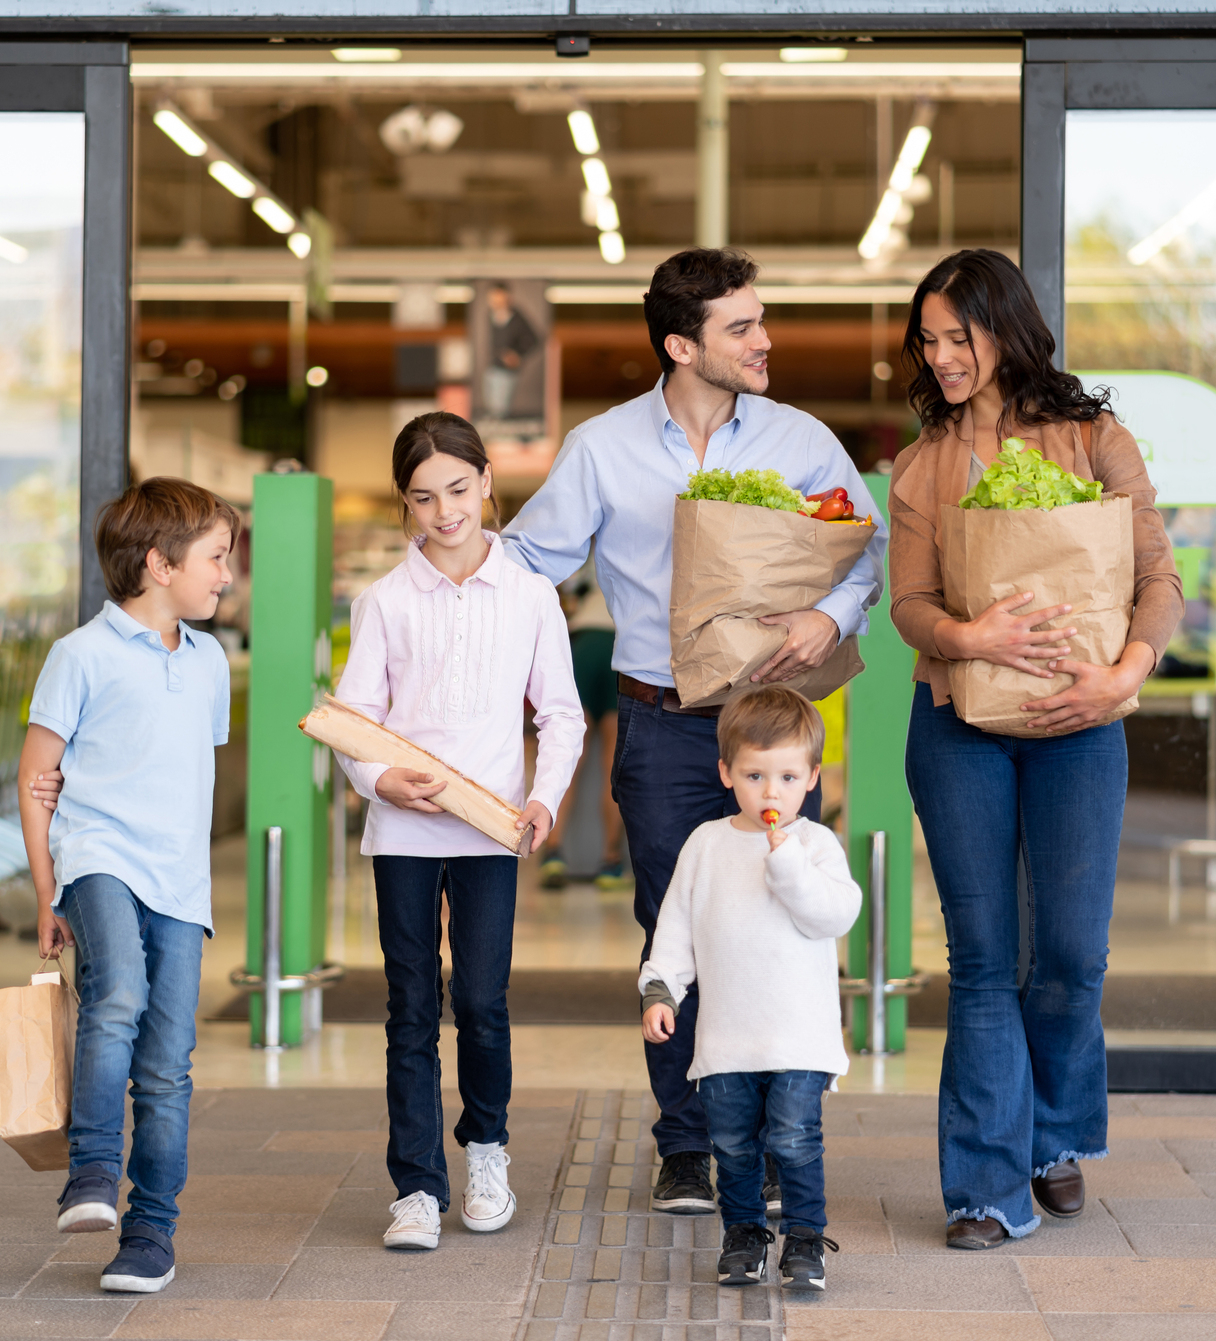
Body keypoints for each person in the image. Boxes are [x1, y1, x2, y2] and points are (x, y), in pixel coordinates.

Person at [502, 247, 886, 1215]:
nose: (764, 341)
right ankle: (687, 1142)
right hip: (659, 722)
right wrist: (442, 553)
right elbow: (527, 560)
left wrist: (825, 619)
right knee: (671, 930)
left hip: (772, 727)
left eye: (760, 321)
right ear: (680, 345)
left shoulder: (799, 440)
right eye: (740, 328)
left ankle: (772, 1130)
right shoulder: (602, 448)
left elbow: (866, 548)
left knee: (779, 921)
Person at [886, 249, 1182, 1250]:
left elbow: (1158, 580)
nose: (939, 356)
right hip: (956, 729)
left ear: (1002, 329)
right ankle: (980, 1187)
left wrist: (1124, 674)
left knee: (1065, 955)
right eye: (925, 340)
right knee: (980, 961)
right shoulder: (920, 464)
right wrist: (971, 640)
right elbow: (910, 607)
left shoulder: (1094, 439)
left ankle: (1051, 1135)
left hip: (1078, 728)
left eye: (954, 337)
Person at [333, 411, 584, 1253]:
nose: (444, 511)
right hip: (402, 835)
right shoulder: (384, 600)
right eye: (422, 497)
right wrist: (380, 780)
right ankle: (414, 1186)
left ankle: (485, 1149)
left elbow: (561, 714)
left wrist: (543, 800)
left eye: (457, 488)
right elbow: (353, 719)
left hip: (490, 832)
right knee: (411, 1009)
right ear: (405, 506)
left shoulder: (529, 594)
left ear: (487, 483)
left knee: (480, 1003)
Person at [16, 477, 237, 1294]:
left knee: (169, 1063)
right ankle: (92, 1173)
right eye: (215, 558)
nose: (225, 575)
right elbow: (34, 775)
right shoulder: (80, 655)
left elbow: (179, 768)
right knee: (117, 999)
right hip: (98, 859)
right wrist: (48, 896)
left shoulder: (209, 661)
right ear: (159, 562)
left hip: (181, 882)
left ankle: (150, 1234)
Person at [638, 686, 860, 1291]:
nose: (771, 792)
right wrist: (661, 991)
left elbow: (834, 916)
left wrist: (787, 866)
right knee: (732, 1146)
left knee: (792, 1139)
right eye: (754, 775)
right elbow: (675, 927)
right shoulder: (706, 844)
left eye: (788, 777)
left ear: (811, 778)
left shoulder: (815, 845)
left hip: (799, 1038)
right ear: (726, 773)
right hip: (727, 1040)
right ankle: (743, 1236)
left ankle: (806, 1241)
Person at [536, 559, 628, 890]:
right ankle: (610, 861)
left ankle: (553, 852)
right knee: (612, 767)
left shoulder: (586, 563)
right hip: (620, 649)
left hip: (582, 645)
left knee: (568, 757)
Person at [479, 283, 539, 422]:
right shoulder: (491, 315)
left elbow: (534, 339)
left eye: (499, 299)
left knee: (500, 409)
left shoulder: (517, 317)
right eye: (493, 299)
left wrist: (517, 354)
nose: (496, 303)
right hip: (492, 365)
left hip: (507, 370)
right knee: (490, 406)